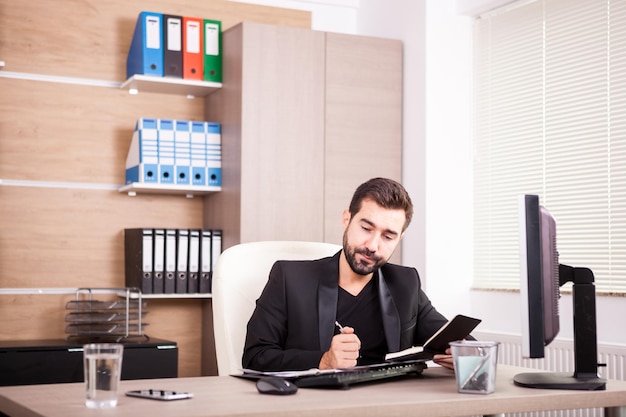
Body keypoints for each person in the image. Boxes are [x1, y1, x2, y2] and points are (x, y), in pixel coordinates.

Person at [242, 177, 455, 371]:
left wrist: (462, 355)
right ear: (347, 219)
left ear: (399, 238)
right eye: (366, 228)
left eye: (388, 237)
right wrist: (323, 360)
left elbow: (452, 338)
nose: (373, 245)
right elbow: (255, 356)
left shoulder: (405, 283)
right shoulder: (290, 279)